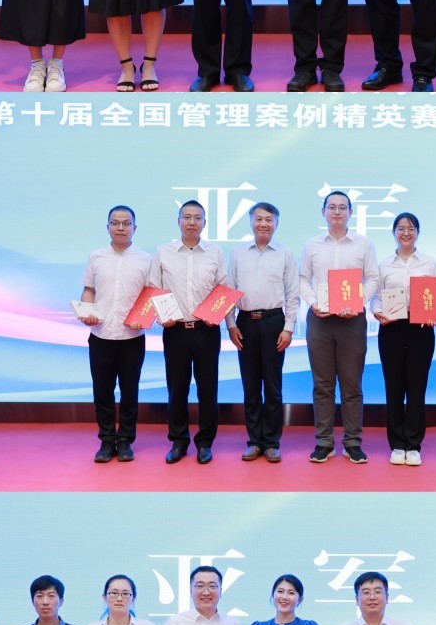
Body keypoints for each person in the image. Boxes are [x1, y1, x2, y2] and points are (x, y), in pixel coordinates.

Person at [300, 190, 379, 464]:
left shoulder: (363, 244)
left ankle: (353, 442)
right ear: (323, 212)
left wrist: (358, 302)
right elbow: (302, 279)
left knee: (351, 384)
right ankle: (324, 442)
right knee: (322, 384)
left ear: (350, 213)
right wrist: (313, 303)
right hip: (320, 320)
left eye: (342, 207)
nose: (337, 212)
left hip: (352, 321)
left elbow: (373, 278)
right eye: (331, 207)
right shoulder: (312, 245)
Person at [151, 199, 227, 465]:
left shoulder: (215, 252)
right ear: (179, 221)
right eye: (187, 217)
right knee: (177, 388)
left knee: (208, 389)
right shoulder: (163, 252)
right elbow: (154, 288)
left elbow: (223, 289)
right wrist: (163, 315)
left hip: (207, 330)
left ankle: (205, 443)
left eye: (197, 218)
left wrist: (219, 316)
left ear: (204, 223)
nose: (192, 222)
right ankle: (178, 441)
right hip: (176, 331)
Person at [76, 205, 153, 463]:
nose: (121, 227)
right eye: (116, 223)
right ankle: (107, 440)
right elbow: (89, 289)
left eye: (126, 223)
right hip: (101, 335)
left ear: (135, 228)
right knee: (103, 391)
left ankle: (126, 440)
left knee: (130, 392)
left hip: (132, 338)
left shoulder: (145, 259)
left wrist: (144, 318)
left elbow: (150, 295)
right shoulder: (96, 256)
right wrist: (87, 312)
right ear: (108, 227)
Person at [226, 201, 300, 463]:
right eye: (258, 219)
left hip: (274, 322)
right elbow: (229, 291)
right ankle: (254, 441)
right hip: (245, 322)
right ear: (251, 222)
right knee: (250, 385)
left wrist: (288, 328)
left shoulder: (285, 254)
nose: (263, 224)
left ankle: (271, 442)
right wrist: (231, 324)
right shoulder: (237, 254)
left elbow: (293, 294)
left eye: (269, 220)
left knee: (273, 385)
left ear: (276, 224)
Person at [372, 212, 436, 466]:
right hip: (391, 327)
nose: (406, 233)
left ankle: (413, 444)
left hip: (421, 328)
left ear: (418, 233)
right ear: (393, 233)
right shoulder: (384, 265)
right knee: (393, 387)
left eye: (411, 228)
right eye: (401, 228)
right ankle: (397, 444)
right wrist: (377, 312)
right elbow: (376, 297)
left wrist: (434, 314)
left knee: (416, 387)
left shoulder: (429, 263)